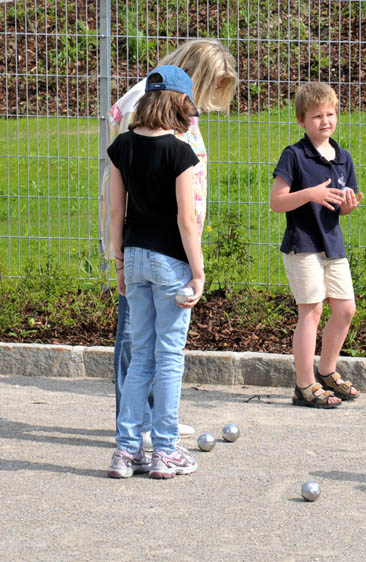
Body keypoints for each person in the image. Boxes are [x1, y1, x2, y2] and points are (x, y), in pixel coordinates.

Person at [99, 39, 238, 448]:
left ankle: (145, 425)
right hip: (157, 240)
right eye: (205, 89)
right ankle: (144, 428)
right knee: (144, 340)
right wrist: (195, 265)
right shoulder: (150, 102)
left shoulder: (157, 101)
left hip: (145, 241)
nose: (201, 104)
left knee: (145, 341)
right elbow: (135, 180)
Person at [106, 66, 206, 478]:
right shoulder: (180, 152)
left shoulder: (122, 146)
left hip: (134, 257)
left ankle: (127, 450)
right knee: (169, 357)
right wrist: (198, 273)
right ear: (181, 102)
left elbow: (115, 210)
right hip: (170, 262)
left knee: (140, 356)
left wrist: (119, 260)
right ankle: (165, 449)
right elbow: (187, 220)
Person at [269, 82, 363, 408]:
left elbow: (341, 205)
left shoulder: (343, 159)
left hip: (332, 245)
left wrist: (349, 205)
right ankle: (304, 385)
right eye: (316, 116)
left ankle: (326, 371)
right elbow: (277, 202)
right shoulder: (294, 156)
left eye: (330, 114)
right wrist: (310, 194)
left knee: (345, 309)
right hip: (303, 244)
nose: (325, 121)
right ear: (301, 121)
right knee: (312, 310)